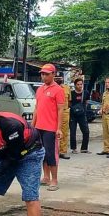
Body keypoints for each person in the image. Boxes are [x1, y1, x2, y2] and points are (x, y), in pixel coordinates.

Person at [32, 63, 65, 191]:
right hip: (39, 127)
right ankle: (45, 177)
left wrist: (59, 128)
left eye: (46, 74)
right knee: (41, 154)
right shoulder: (40, 89)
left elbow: (60, 110)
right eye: (42, 74)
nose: (43, 76)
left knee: (51, 154)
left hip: (50, 128)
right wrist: (32, 125)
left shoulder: (58, 90)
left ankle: (54, 179)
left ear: (53, 75)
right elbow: (36, 108)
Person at [69, 78, 90, 153]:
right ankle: (74, 148)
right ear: (75, 85)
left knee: (86, 131)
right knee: (72, 132)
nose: (80, 86)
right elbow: (69, 103)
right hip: (73, 115)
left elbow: (87, 102)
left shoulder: (86, 93)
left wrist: (82, 109)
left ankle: (84, 148)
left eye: (81, 84)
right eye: (78, 84)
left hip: (82, 115)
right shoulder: (71, 93)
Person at [58, 80, 72, 159]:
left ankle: (62, 151)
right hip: (53, 113)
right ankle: (54, 151)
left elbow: (69, 101)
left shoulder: (67, 88)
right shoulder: (51, 88)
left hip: (64, 112)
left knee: (64, 132)